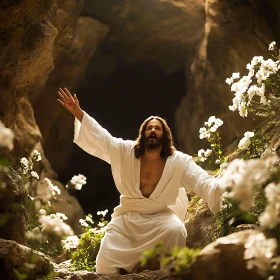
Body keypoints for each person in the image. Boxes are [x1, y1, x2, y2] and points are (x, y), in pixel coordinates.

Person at [57, 87, 224, 274]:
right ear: (143, 134)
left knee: (176, 230)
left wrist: (225, 192)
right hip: (128, 217)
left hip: (160, 216)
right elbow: (103, 138)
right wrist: (78, 113)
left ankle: (167, 275)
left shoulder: (178, 161)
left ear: (165, 135)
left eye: (157, 128)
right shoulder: (126, 151)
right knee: (105, 261)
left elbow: (201, 180)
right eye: (149, 127)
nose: (152, 130)